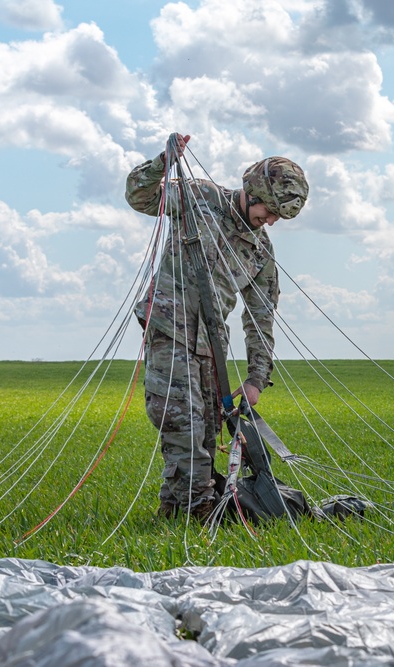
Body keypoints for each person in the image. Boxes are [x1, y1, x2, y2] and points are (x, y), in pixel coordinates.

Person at [124, 133, 309, 521]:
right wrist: (165, 160)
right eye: (268, 210)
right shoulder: (201, 197)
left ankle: (176, 511)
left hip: (211, 346)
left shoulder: (260, 250)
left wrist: (257, 378)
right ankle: (199, 507)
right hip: (169, 327)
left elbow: (261, 315)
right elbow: (140, 196)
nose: (270, 220)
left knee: (207, 430)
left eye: (278, 216)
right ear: (252, 190)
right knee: (182, 422)